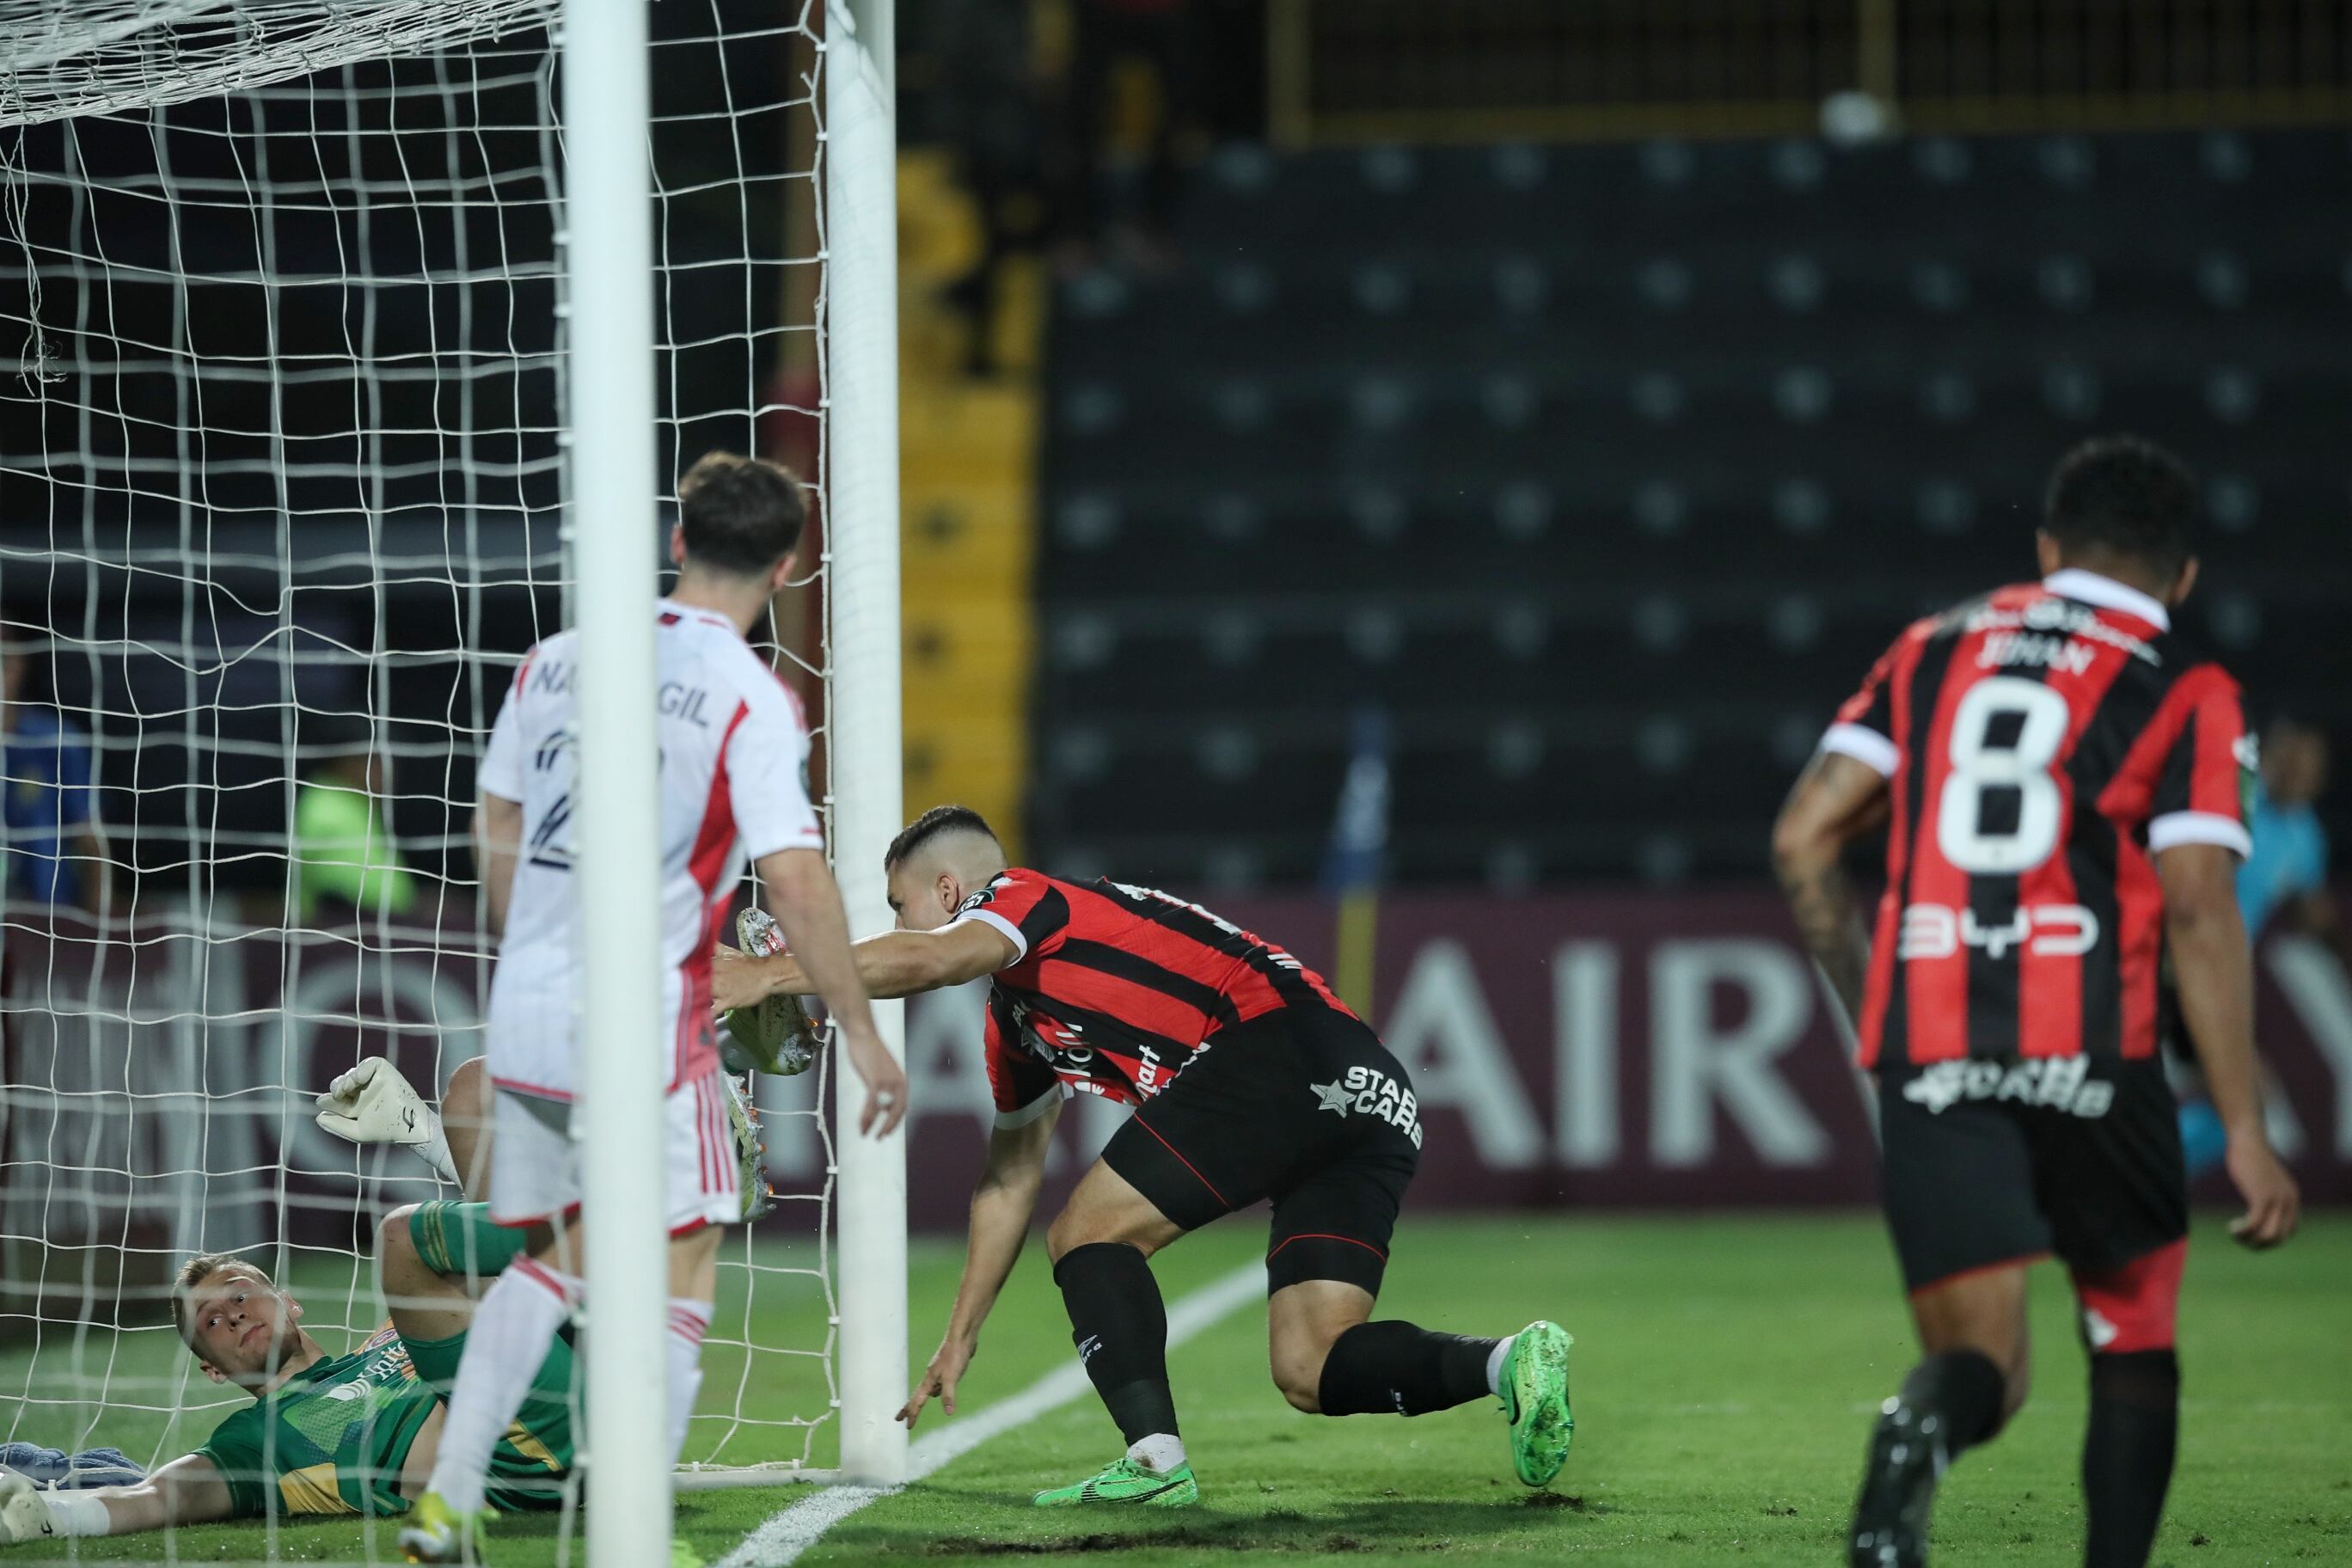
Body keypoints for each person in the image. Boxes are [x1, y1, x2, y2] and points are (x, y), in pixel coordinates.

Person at [711, 804, 1572, 1510]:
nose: (894, 925)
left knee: (1090, 1233)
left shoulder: (1024, 898)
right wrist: (959, 1336)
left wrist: (773, 976)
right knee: (1310, 1365)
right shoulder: (1014, 1023)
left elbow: (934, 958)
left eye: (899, 906)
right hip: (1371, 1093)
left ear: (949, 888)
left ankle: (1156, 1464)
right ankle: (1510, 1361)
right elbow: (1009, 1177)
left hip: (1275, 1050)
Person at [1771, 434, 2300, 1568]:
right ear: (2186, 573)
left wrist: (1884, 1015)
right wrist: (2248, 1128)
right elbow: (2203, 906)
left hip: (1937, 1050)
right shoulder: (2191, 687)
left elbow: (1804, 836)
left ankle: (1918, 1434)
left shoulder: (1927, 650)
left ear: (2049, 547)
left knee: (1986, 1376)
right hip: (2096, 1047)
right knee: (2131, 1333)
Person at [397, 450, 908, 1565]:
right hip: (643, 1015)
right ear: (787, 564)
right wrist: (860, 1028)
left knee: (565, 1255)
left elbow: (493, 820)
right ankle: (633, 1531)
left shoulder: (556, 660)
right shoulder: (754, 697)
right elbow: (797, 876)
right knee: (680, 1266)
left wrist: (536, 946)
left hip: (527, 1001)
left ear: (677, 542)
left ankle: (451, 1500)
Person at [0, 1060, 573, 1545]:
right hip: (517, 1456)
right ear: (212, 1369)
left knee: (476, 1085)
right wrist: (50, 1515)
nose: (236, 1314)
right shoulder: (257, 1439)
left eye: (242, 1294)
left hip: (574, 1376)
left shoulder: (393, 1338)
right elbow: (158, 1496)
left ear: (289, 1303)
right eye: (214, 1321)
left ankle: (588, 1216)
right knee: (403, 1238)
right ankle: (616, 1218)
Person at [2, 643, 106, 916]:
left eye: (3, 662)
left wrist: (95, 921)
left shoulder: (55, 740)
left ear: (21, 666)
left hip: (48, 919)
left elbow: (91, 840)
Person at [291, 720, 418, 925]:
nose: (387, 769)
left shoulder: (354, 803)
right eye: (375, 759)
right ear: (342, 760)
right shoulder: (328, 810)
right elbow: (345, 899)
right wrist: (419, 914)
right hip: (344, 944)